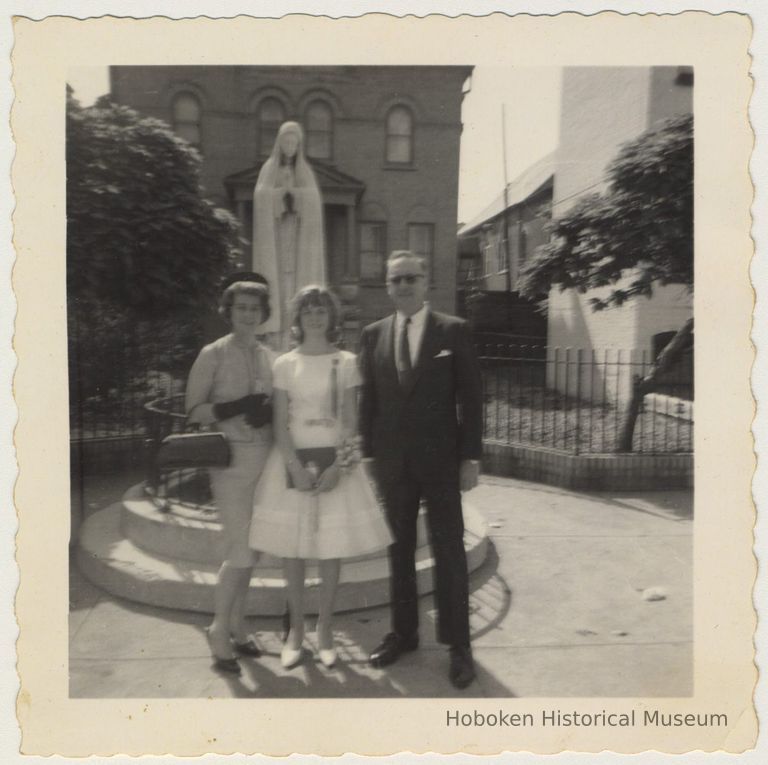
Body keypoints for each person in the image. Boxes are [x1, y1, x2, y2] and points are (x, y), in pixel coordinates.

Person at [358, 250, 484, 690]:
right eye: (396, 280)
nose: (404, 285)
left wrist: (470, 459)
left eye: (411, 277)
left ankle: (459, 646)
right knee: (399, 550)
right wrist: (371, 457)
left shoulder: (453, 331)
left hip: (442, 464)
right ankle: (404, 633)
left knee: (449, 552)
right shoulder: (373, 335)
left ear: (425, 281)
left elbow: (470, 400)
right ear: (388, 286)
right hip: (395, 464)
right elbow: (368, 402)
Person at [249, 286, 392, 670]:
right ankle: (296, 631)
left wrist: (338, 467)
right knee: (293, 550)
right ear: (297, 318)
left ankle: (325, 630)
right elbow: (280, 421)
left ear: (331, 317)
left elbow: (350, 420)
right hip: (292, 460)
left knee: (331, 548)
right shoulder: (284, 363)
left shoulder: (345, 362)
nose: (314, 316)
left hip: (334, 463)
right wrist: (294, 466)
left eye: (321, 310)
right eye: (307, 310)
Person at [185, 273, 275, 675]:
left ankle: (237, 626)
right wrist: (234, 407)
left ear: (264, 314)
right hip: (231, 463)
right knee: (240, 549)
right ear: (229, 311)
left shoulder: (269, 355)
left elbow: (277, 404)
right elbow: (194, 410)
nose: (249, 315)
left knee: (251, 551)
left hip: (265, 462)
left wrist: (267, 410)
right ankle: (219, 630)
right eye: (241, 308)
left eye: (255, 309)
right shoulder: (213, 353)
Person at [253, 121, 326, 344]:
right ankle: (277, 337)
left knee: (295, 284)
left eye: (294, 142)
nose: (290, 145)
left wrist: (296, 195)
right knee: (279, 287)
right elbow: (261, 196)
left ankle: (294, 336)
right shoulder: (269, 168)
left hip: (297, 237)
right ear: (279, 143)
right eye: (286, 141)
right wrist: (277, 196)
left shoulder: (305, 171)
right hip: (276, 236)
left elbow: (313, 199)